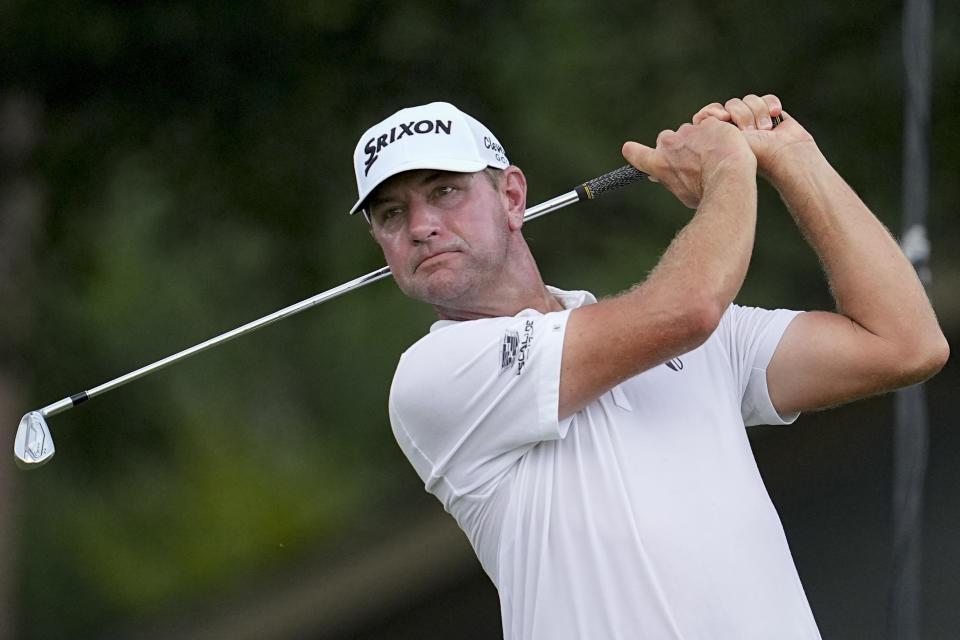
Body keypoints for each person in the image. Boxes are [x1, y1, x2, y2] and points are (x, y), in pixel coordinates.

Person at [347, 96, 948, 639]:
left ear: (511, 196)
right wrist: (728, 168)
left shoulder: (699, 340)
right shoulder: (434, 376)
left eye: (444, 191)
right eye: (391, 214)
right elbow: (688, 309)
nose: (421, 226)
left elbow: (904, 344)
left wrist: (791, 156)